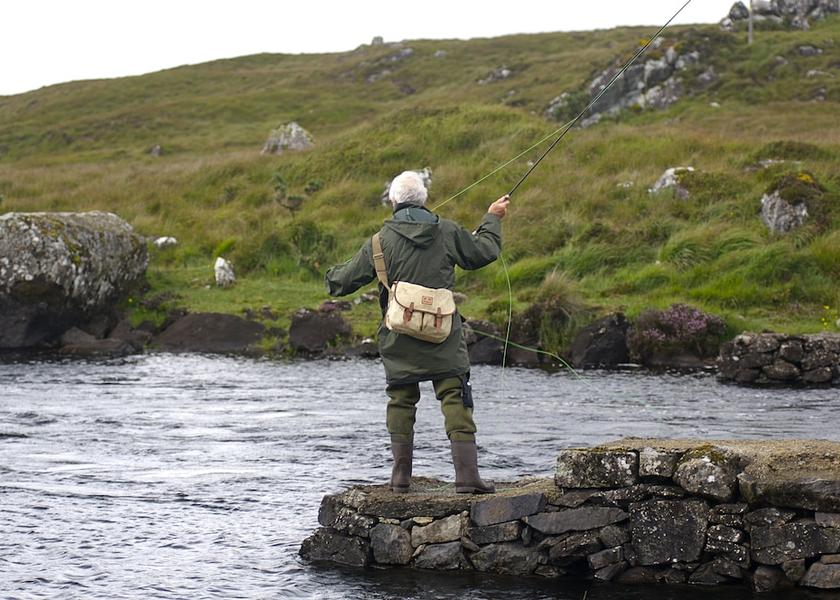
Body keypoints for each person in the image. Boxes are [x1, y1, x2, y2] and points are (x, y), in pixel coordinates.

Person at [325, 171, 510, 494]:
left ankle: (400, 479)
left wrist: (331, 272)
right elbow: (484, 252)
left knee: (401, 400)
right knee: (455, 395)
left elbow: (340, 282)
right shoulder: (449, 231)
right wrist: (492, 218)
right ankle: (467, 478)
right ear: (424, 200)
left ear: (393, 201)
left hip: (399, 337)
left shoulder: (378, 242)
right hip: (444, 335)